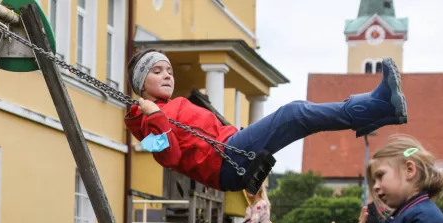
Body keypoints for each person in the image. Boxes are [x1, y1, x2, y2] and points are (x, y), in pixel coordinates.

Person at [124, 50, 407, 193]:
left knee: (297, 116)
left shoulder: (171, 106)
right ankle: (376, 106)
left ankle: (380, 112)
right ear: (141, 83)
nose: (167, 75)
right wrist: (156, 115)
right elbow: (169, 157)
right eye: (156, 71)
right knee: (293, 114)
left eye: (169, 70)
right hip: (224, 161)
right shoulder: (146, 121)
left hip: (230, 150)